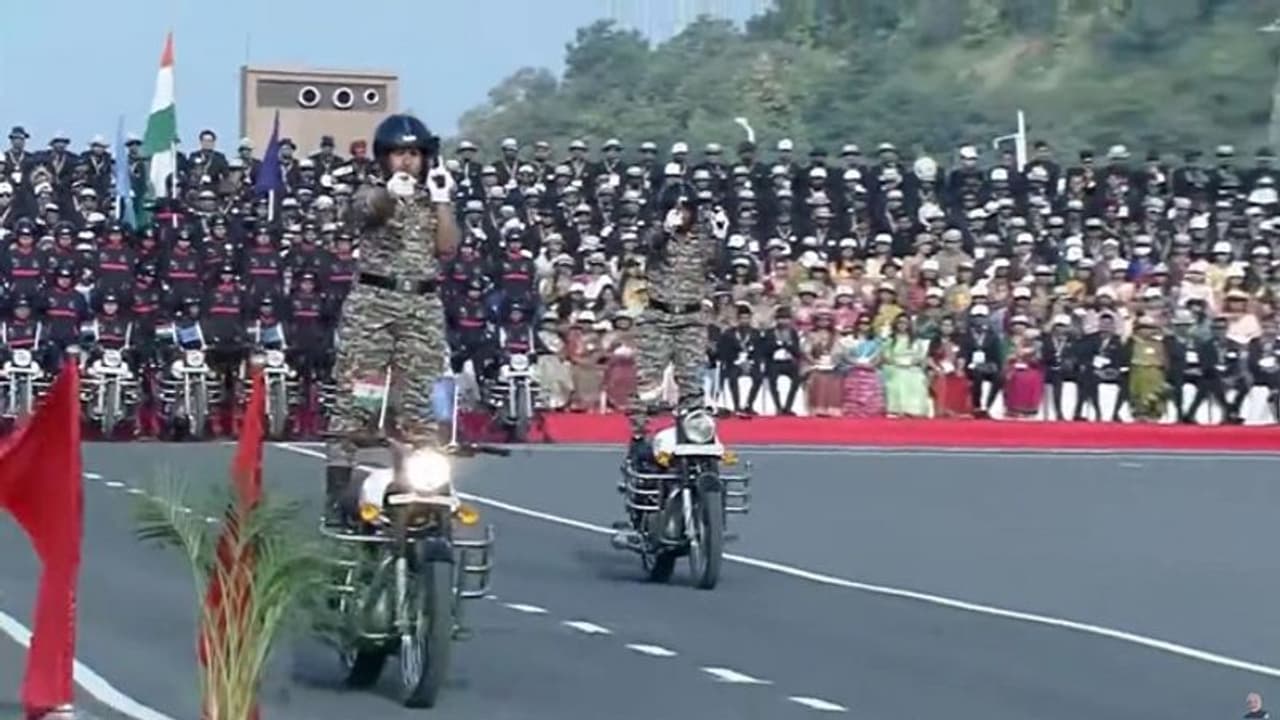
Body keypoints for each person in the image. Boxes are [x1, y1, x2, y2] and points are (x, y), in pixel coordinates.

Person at [323, 113, 459, 526]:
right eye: (400, 153)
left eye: (414, 154)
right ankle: (337, 502)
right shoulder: (369, 192)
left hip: (421, 306)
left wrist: (441, 199)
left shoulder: (431, 195)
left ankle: (421, 495)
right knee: (357, 403)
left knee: (421, 408)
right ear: (385, 158)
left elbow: (448, 247)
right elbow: (367, 212)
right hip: (374, 305)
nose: (407, 162)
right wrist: (388, 192)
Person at [623, 189, 722, 461]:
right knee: (648, 388)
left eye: (687, 208)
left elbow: (716, 262)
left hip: (690, 320)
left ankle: (693, 438)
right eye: (677, 208)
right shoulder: (656, 233)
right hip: (658, 319)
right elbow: (646, 248)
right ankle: (639, 437)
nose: (684, 214)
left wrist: (720, 236)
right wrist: (665, 230)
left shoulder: (702, 237)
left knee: (692, 385)